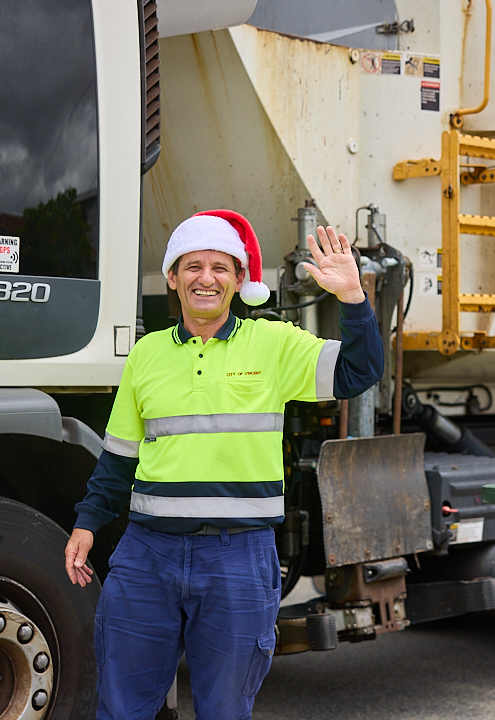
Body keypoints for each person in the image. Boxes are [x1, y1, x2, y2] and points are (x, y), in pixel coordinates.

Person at [63, 209, 383, 720]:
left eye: (219, 267)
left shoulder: (274, 343)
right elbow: (120, 455)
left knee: (224, 711)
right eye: (192, 266)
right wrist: (87, 524)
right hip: (147, 556)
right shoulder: (145, 355)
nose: (205, 278)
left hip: (238, 556)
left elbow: (358, 370)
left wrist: (352, 299)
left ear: (239, 280)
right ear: (172, 277)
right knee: (121, 707)